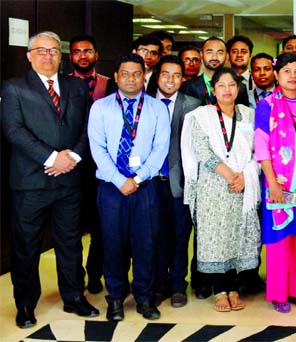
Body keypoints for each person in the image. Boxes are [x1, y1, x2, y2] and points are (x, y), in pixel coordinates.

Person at [2, 31, 98, 329]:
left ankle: (74, 297)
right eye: (41, 51)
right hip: (31, 182)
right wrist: (51, 158)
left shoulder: (77, 87)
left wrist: (73, 157)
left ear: (61, 55)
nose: (48, 56)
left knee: (70, 243)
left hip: (69, 180)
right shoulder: (14, 88)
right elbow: (14, 131)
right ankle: (26, 304)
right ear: (29, 55)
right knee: (27, 246)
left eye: (54, 50)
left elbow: (87, 127)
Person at [88, 54, 170, 321]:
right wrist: (119, 180)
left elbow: (160, 149)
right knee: (112, 243)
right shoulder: (100, 108)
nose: (131, 78)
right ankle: (115, 299)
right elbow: (97, 149)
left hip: (145, 187)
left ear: (144, 76)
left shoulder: (157, 109)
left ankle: (144, 298)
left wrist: (138, 178)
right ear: (116, 76)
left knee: (145, 244)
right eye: (125, 73)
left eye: (137, 73)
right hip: (111, 188)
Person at [180, 68, 261, 312]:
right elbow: (202, 151)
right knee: (215, 237)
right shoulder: (200, 116)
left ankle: (234, 287)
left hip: (243, 185)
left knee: (237, 234)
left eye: (232, 85)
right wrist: (230, 175)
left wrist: (245, 176)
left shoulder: (249, 115)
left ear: (239, 89)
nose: (227, 90)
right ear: (212, 90)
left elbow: (259, 150)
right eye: (221, 85)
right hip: (213, 186)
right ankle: (219, 290)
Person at [255, 52, 296, 313]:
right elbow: (260, 144)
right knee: (280, 240)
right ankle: (279, 294)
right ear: (276, 75)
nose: (292, 76)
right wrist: (271, 181)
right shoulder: (267, 105)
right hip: (279, 182)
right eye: (287, 71)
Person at [151, 55, 200, 308]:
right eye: (166, 74)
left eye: (177, 75)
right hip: (149, 184)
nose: (171, 80)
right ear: (157, 76)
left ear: (183, 79)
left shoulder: (193, 105)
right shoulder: (146, 104)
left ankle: (179, 285)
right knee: (155, 236)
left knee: (181, 236)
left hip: (180, 183)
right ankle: (159, 285)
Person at [67, 33, 112, 295]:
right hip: (71, 166)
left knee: (99, 226)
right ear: (70, 56)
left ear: (96, 54)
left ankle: (96, 274)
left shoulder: (109, 84)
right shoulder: (62, 84)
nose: (82, 56)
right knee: (71, 227)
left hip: (100, 167)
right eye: (77, 52)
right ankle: (75, 277)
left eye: (87, 51)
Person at [186, 37, 251, 107]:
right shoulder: (187, 87)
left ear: (227, 57)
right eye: (209, 52)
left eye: (220, 53)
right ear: (201, 56)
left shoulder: (240, 87)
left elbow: (242, 115)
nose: (214, 57)